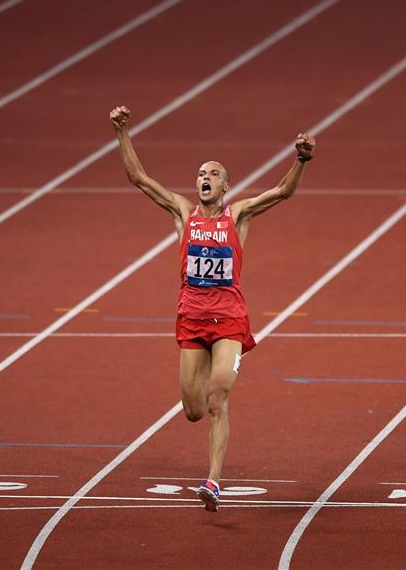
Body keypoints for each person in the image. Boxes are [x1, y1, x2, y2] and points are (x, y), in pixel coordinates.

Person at [110, 105, 315, 512]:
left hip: (229, 321)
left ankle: (213, 482)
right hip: (191, 319)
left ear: (225, 186)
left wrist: (301, 159)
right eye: (201, 173)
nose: (205, 178)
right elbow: (139, 179)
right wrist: (122, 132)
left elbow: (282, 193)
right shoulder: (183, 213)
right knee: (193, 410)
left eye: (213, 174)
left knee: (218, 399)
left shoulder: (237, 215)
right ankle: (206, 389)